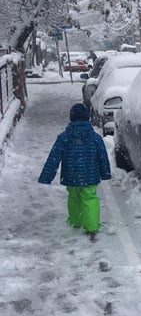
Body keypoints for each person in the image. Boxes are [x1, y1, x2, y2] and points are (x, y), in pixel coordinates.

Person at [38, 103, 111, 241]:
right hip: (90, 176)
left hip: (71, 175)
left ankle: (76, 221)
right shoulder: (95, 138)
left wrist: (46, 176)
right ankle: (92, 226)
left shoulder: (64, 137)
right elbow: (103, 157)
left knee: (73, 197)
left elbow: (54, 157)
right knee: (90, 198)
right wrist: (105, 173)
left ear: (71, 119)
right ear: (87, 118)